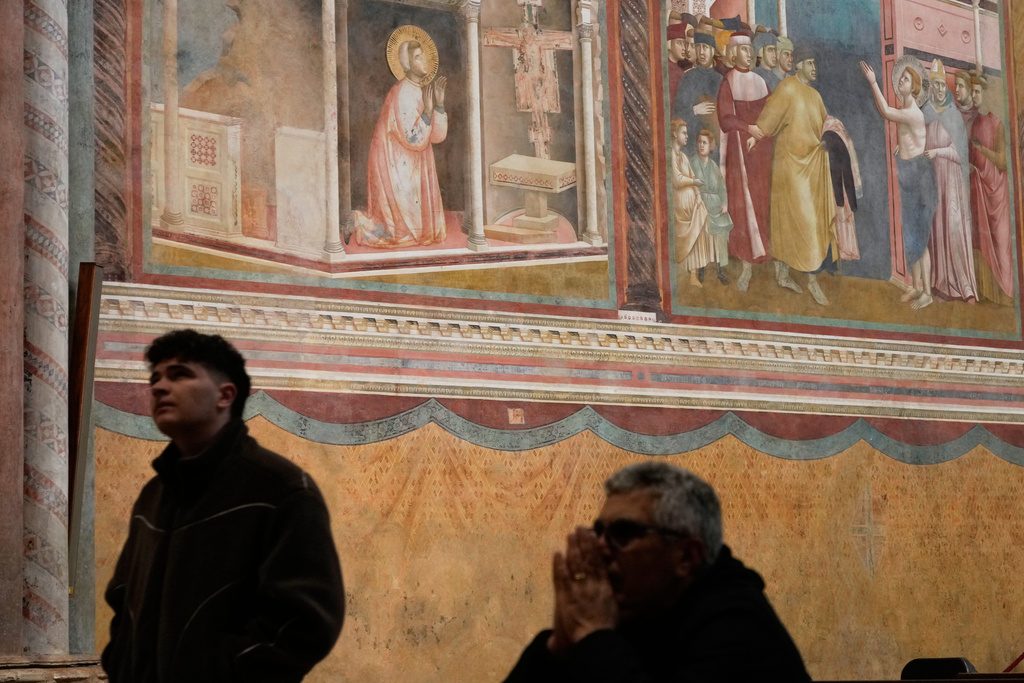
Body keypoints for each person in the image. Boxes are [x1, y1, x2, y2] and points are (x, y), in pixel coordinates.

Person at [102, 330, 345, 683]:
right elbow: (123, 600)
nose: (158, 387)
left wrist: (225, 672)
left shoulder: (280, 490)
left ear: (225, 395)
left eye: (179, 374)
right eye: (155, 378)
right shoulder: (153, 495)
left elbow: (306, 623)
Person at [502, 461, 811, 682]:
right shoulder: (639, 610)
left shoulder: (740, 628)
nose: (601, 548)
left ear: (686, 556)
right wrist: (558, 647)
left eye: (623, 534)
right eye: (599, 532)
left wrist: (594, 635)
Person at [753, 46, 838, 305]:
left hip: (813, 167)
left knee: (812, 223)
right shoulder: (787, 88)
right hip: (790, 167)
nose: (814, 68)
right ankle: (806, 280)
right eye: (810, 63)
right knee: (795, 223)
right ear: (799, 64)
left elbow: (825, 126)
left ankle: (797, 276)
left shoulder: (815, 95)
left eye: (816, 64)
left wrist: (830, 139)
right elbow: (766, 122)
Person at [353, 37, 449, 248]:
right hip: (398, 165)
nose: (424, 60)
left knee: (422, 231)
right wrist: (428, 110)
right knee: (401, 232)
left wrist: (439, 106)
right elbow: (412, 139)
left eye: (423, 55)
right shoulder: (403, 92)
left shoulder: (420, 90)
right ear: (407, 63)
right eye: (417, 57)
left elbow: (436, 137)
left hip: (415, 163)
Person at [861, 58, 938, 310]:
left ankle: (927, 292)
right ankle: (916, 286)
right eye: (901, 78)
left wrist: (873, 82)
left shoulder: (913, 113)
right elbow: (908, 136)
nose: (900, 81)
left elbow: (886, 112)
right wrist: (902, 147)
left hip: (919, 177)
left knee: (920, 237)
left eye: (905, 79)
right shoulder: (908, 114)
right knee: (911, 236)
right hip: (908, 172)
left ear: (913, 88)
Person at [718, 29, 773, 292]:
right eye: (743, 50)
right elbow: (725, 119)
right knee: (743, 205)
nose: (749, 55)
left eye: (751, 51)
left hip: (761, 152)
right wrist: (748, 129)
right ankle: (746, 267)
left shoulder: (762, 82)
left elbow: (771, 114)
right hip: (738, 153)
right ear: (732, 54)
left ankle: (767, 256)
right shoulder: (728, 82)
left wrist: (759, 133)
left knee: (763, 201)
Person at [922, 60, 977, 303]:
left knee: (953, 228)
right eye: (936, 85)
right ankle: (939, 281)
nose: (940, 89)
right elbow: (917, 142)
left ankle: (961, 284)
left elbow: (959, 154)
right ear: (931, 87)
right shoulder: (925, 112)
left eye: (943, 85)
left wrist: (938, 153)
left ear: (947, 88)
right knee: (936, 229)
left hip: (952, 183)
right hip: (933, 181)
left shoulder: (955, 116)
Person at [967, 74, 1014, 304]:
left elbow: (1004, 162)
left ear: (985, 94)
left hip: (997, 194)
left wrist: (982, 150)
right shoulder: (975, 123)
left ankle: (1005, 296)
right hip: (980, 189)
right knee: (981, 241)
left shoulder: (997, 123)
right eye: (972, 91)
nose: (974, 96)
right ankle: (988, 294)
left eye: (977, 92)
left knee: (1001, 242)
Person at [689, 129, 734, 285]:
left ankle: (720, 271)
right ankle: (701, 269)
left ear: (710, 146)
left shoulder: (714, 165)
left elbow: (722, 187)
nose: (702, 146)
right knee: (703, 235)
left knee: (721, 235)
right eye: (700, 142)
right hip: (701, 206)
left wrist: (725, 203)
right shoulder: (692, 162)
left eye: (705, 143)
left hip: (716, 205)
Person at [670, 120, 711, 287]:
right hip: (679, 206)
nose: (687, 136)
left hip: (691, 205)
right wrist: (693, 181)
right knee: (686, 237)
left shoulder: (684, 156)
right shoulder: (670, 155)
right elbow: (677, 180)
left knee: (698, 234)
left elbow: (693, 178)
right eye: (684, 133)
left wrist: (698, 197)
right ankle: (684, 274)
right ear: (674, 134)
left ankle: (693, 274)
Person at [672, 27, 723, 155]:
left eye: (705, 47)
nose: (701, 52)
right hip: (691, 146)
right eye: (698, 47)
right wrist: (695, 110)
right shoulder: (688, 78)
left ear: (712, 51)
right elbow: (677, 114)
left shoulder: (721, 80)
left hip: (715, 147)